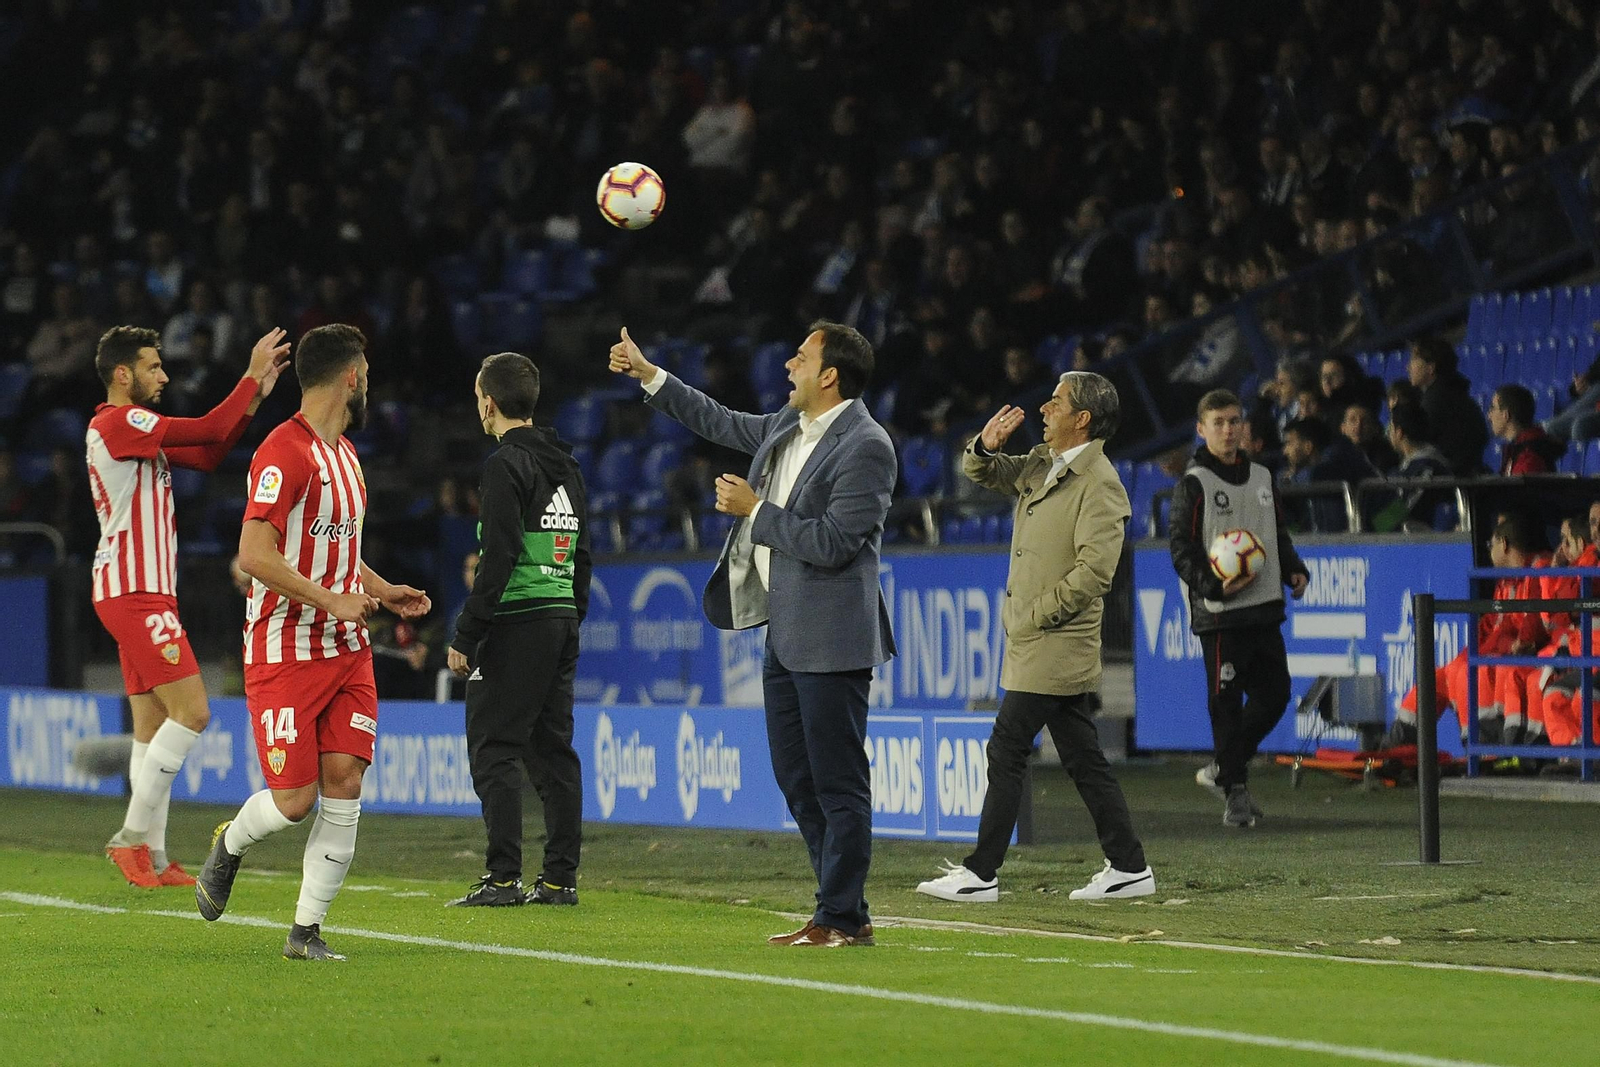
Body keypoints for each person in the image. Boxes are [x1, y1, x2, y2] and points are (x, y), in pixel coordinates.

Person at [609, 321, 896, 948]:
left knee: (838, 782)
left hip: (833, 637)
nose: (788, 362)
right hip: (786, 632)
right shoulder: (787, 427)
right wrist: (649, 373)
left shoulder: (866, 446)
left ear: (830, 377)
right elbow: (716, 420)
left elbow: (835, 543)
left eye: (802, 355)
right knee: (797, 777)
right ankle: (843, 907)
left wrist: (756, 512)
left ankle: (839, 916)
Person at [194, 324, 431, 961]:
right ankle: (231, 843)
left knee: (346, 778)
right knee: (296, 801)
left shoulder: (349, 458)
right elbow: (253, 555)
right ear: (351, 376)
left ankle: (305, 932)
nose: (369, 380)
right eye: (367, 370)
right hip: (283, 648)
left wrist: (381, 590)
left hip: (345, 649)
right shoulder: (282, 452)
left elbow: (339, 555)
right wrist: (331, 600)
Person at [913, 373, 1153, 903]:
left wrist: (1036, 615)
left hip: (1056, 640)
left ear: (1082, 419)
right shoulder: (1044, 463)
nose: (1045, 407)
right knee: (1081, 756)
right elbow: (980, 471)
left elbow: (1096, 574)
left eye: (1057, 401)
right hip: (1034, 639)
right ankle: (1129, 865)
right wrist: (984, 445)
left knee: (1007, 746)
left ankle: (981, 873)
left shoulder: (1102, 485)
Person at [88, 325, 290, 888]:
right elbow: (205, 427)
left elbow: (209, 451)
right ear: (123, 374)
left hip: (131, 589)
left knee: (151, 724)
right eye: (153, 367)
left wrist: (255, 396)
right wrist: (249, 375)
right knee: (194, 712)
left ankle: (153, 856)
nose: (164, 375)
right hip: (135, 591)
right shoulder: (118, 420)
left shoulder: (134, 433)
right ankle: (129, 838)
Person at [446, 352, 590, 908]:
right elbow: (583, 553)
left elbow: (498, 556)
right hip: (558, 619)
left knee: (493, 746)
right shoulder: (567, 465)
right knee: (553, 752)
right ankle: (558, 879)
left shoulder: (506, 464)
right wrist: (571, 613)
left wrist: (468, 632)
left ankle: (502, 877)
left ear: (489, 401)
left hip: (517, 620)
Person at [1169, 390, 1309, 828]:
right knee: (1225, 703)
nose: (1228, 430)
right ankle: (1236, 792)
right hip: (1221, 615)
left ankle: (1221, 769)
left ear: (1244, 426)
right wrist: (1215, 584)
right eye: (1218, 423)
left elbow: (1277, 532)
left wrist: (1293, 569)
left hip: (1264, 607)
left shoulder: (1264, 476)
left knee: (1275, 696)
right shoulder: (1194, 484)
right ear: (1202, 429)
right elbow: (1181, 547)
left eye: (1234, 421)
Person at [1388, 516, 1544, 746]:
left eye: (1491, 545)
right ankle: (1398, 744)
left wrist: (1496, 648)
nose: (1489, 551)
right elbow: (1491, 628)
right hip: (1498, 652)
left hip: (1521, 657)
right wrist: (1468, 655)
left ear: (1504, 543)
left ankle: (1480, 748)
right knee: (1441, 676)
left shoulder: (1536, 573)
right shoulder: (1505, 582)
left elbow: (1526, 636)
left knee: (1469, 673)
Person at [1408, 337, 1489, 475]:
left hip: (1448, 480)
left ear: (1430, 367)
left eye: (1414, 360)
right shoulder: (1456, 394)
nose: (1408, 367)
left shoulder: (1435, 401)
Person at [1371, 402, 1452, 532]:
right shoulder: (1403, 467)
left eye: (1390, 427)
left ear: (1399, 432)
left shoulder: (1428, 467)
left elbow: (1403, 507)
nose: (1388, 433)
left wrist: (1372, 527)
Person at [1489, 384, 1565, 475]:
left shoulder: (1529, 457)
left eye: (1493, 408)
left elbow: (1519, 488)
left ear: (1506, 415)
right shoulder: (1519, 450)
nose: (1489, 416)